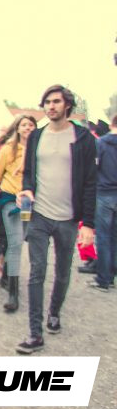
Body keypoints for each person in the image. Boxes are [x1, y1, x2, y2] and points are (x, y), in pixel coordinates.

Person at [16, 85, 96, 354]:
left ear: (67, 105)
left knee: (62, 271)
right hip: (39, 214)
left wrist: (89, 224)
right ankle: (34, 333)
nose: (51, 106)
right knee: (36, 272)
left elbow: (90, 182)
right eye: (47, 102)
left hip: (68, 218)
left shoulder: (83, 139)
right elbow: (28, 173)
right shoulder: (37, 136)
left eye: (56, 101)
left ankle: (54, 312)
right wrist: (27, 189)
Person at [0, 115, 37, 312]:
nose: (27, 128)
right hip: (9, 200)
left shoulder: (38, 150)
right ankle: (13, 293)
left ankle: (6, 274)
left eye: (31, 125)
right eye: (24, 125)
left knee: (17, 239)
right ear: (17, 128)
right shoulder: (8, 149)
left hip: (27, 203)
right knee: (14, 243)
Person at [89, 114, 117, 291]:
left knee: (103, 237)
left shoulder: (101, 143)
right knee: (114, 237)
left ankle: (103, 279)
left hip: (104, 192)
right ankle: (112, 276)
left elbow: (94, 168)